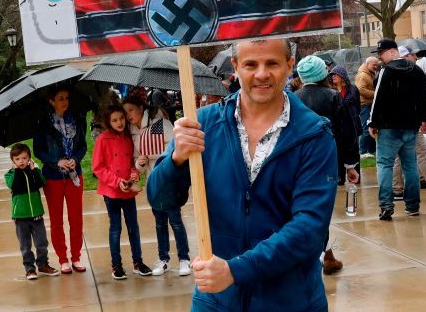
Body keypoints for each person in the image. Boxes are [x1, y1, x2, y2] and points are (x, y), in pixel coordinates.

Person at [148, 38, 336, 311]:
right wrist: (175, 160)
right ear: (235, 66)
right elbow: (161, 200)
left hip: (291, 301)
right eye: (251, 64)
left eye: (272, 63)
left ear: (289, 65)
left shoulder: (314, 134)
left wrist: (235, 270)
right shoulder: (203, 125)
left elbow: (310, 228)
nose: (261, 74)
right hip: (217, 302)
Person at [294, 56, 360, 276]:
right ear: (323, 75)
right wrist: (350, 165)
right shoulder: (333, 97)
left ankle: (327, 255)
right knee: (320, 211)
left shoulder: (293, 98)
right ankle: (323, 257)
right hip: (326, 160)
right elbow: (347, 131)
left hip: (297, 162)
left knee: (307, 209)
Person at [123, 94, 191, 277]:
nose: (128, 115)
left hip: (169, 180)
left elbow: (175, 147)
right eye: (125, 112)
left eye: (130, 110)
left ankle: (184, 259)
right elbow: (137, 158)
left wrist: (152, 155)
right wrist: (140, 163)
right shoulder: (132, 129)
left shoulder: (159, 123)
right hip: (152, 182)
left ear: (140, 107)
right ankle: (164, 260)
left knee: (175, 221)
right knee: (159, 223)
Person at [367, 39, 426, 221]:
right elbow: (425, 96)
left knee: (385, 165)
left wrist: (372, 123)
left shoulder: (385, 72)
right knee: (410, 165)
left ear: (392, 51)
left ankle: (386, 205)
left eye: (381, 53)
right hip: (410, 125)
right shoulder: (415, 69)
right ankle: (412, 205)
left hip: (388, 126)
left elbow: (377, 99)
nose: (380, 57)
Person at [93, 105, 153, 280]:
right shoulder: (102, 139)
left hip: (128, 191)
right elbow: (98, 167)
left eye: (121, 118)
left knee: (133, 227)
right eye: (114, 120)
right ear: (108, 122)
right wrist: (117, 182)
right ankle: (116, 265)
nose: (119, 122)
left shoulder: (128, 137)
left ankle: (138, 262)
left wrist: (133, 176)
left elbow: (133, 161)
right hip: (111, 191)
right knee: (115, 228)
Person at [33, 85, 87, 273]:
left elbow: (83, 146)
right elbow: (38, 150)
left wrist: (74, 159)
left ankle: (77, 257)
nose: (65, 101)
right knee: (56, 220)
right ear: (51, 101)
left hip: (74, 176)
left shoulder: (78, 119)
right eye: (61, 98)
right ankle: (63, 258)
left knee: (76, 218)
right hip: (53, 177)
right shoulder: (42, 123)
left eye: (67, 98)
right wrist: (57, 161)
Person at [392, 46, 426, 202]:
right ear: (407, 56)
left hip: (395, 122)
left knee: (398, 157)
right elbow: (423, 97)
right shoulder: (414, 72)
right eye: (413, 55)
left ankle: (397, 189)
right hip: (411, 121)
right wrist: (425, 118)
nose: (416, 58)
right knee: (423, 154)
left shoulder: (388, 72)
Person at [5, 143, 59, 280]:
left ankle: (42, 265)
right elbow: (14, 186)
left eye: (24, 158)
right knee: (25, 245)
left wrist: (34, 170)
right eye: (17, 159)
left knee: (42, 243)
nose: (21, 161)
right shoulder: (10, 175)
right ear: (12, 160)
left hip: (36, 214)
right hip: (20, 216)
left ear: (29, 158)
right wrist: (16, 171)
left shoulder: (34, 172)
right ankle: (30, 269)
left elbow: (41, 183)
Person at [329, 65, 362, 184]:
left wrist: (353, 117)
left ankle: (356, 175)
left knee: (353, 149)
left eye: (335, 74)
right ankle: (340, 177)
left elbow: (358, 106)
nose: (333, 77)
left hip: (351, 124)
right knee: (339, 151)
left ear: (342, 76)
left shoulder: (351, 89)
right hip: (337, 125)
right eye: (331, 75)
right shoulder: (330, 91)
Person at [356, 57, 380, 157]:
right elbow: (361, 89)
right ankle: (363, 151)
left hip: (369, 104)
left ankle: (371, 150)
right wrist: (376, 94)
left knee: (370, 126)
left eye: (376, 65)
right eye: (373, 65)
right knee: (365, 128)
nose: (375, 66)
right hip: (364, 105)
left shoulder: (370, 73)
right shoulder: (362, 75)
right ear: (367, 64)